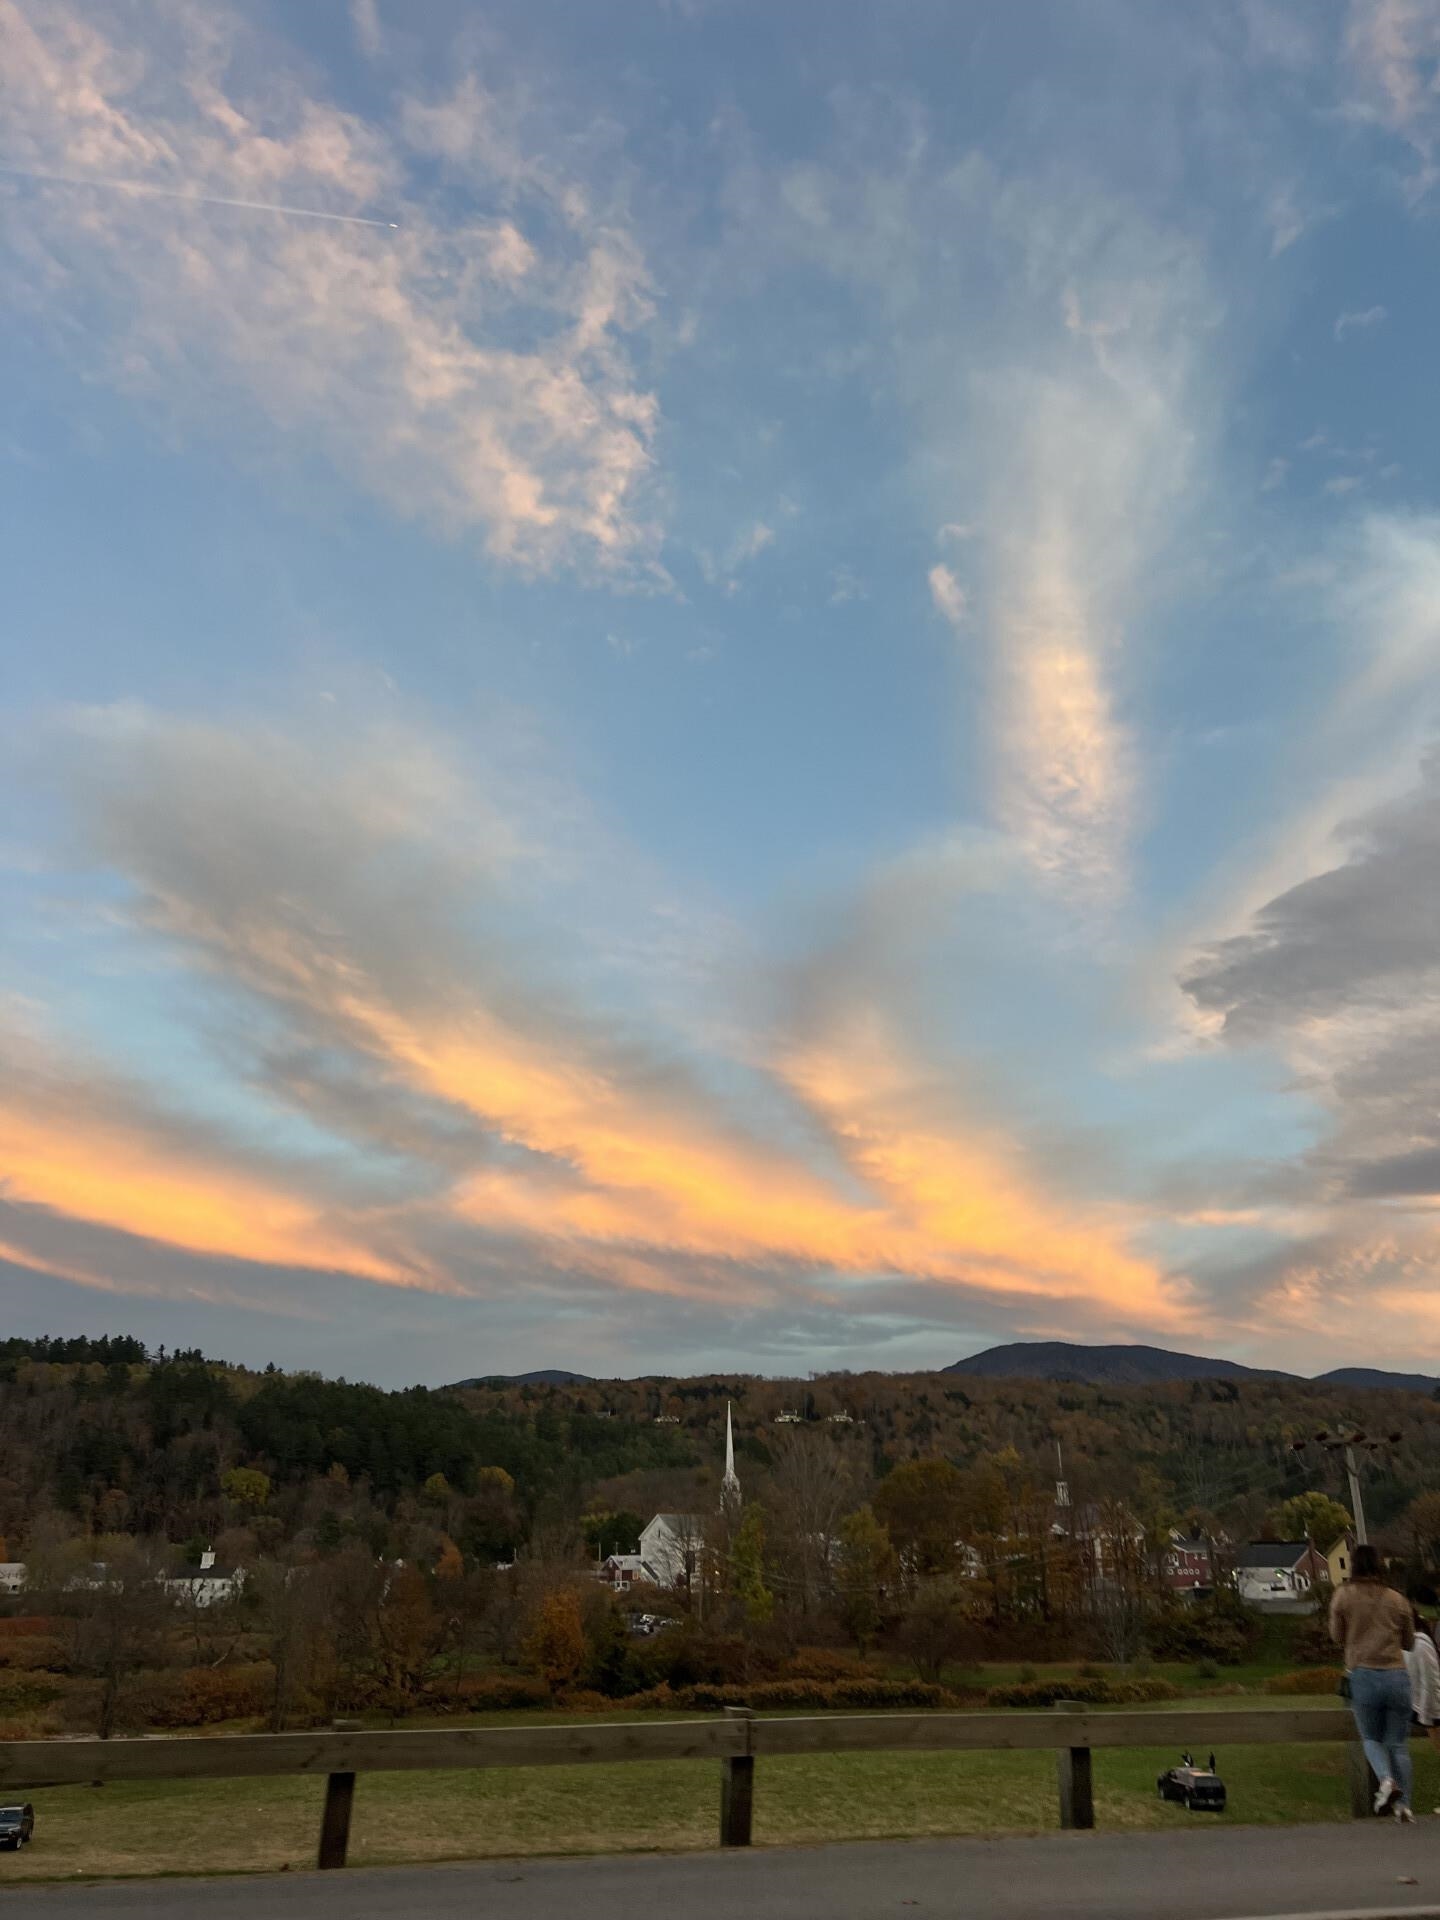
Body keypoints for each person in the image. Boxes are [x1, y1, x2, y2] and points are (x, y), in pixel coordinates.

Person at [1330, 1543, 1416, 1821]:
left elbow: (1336, 1635)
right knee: (1398, 1744)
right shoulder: (1397, 1599)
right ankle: (1404, 1806)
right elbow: (1410, 1642)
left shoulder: (1343, 1596)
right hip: (1397, 1674)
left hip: (1364, 1673)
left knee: (1370, 1738)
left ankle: (1386, 1780)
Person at [1403, 1612, 1440, 1811]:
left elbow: (1431, 1681)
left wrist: (1428, 1713)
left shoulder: (1420, 1644)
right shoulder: (1411, 1644)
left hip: (1433, 1707)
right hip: (1424, 1706)